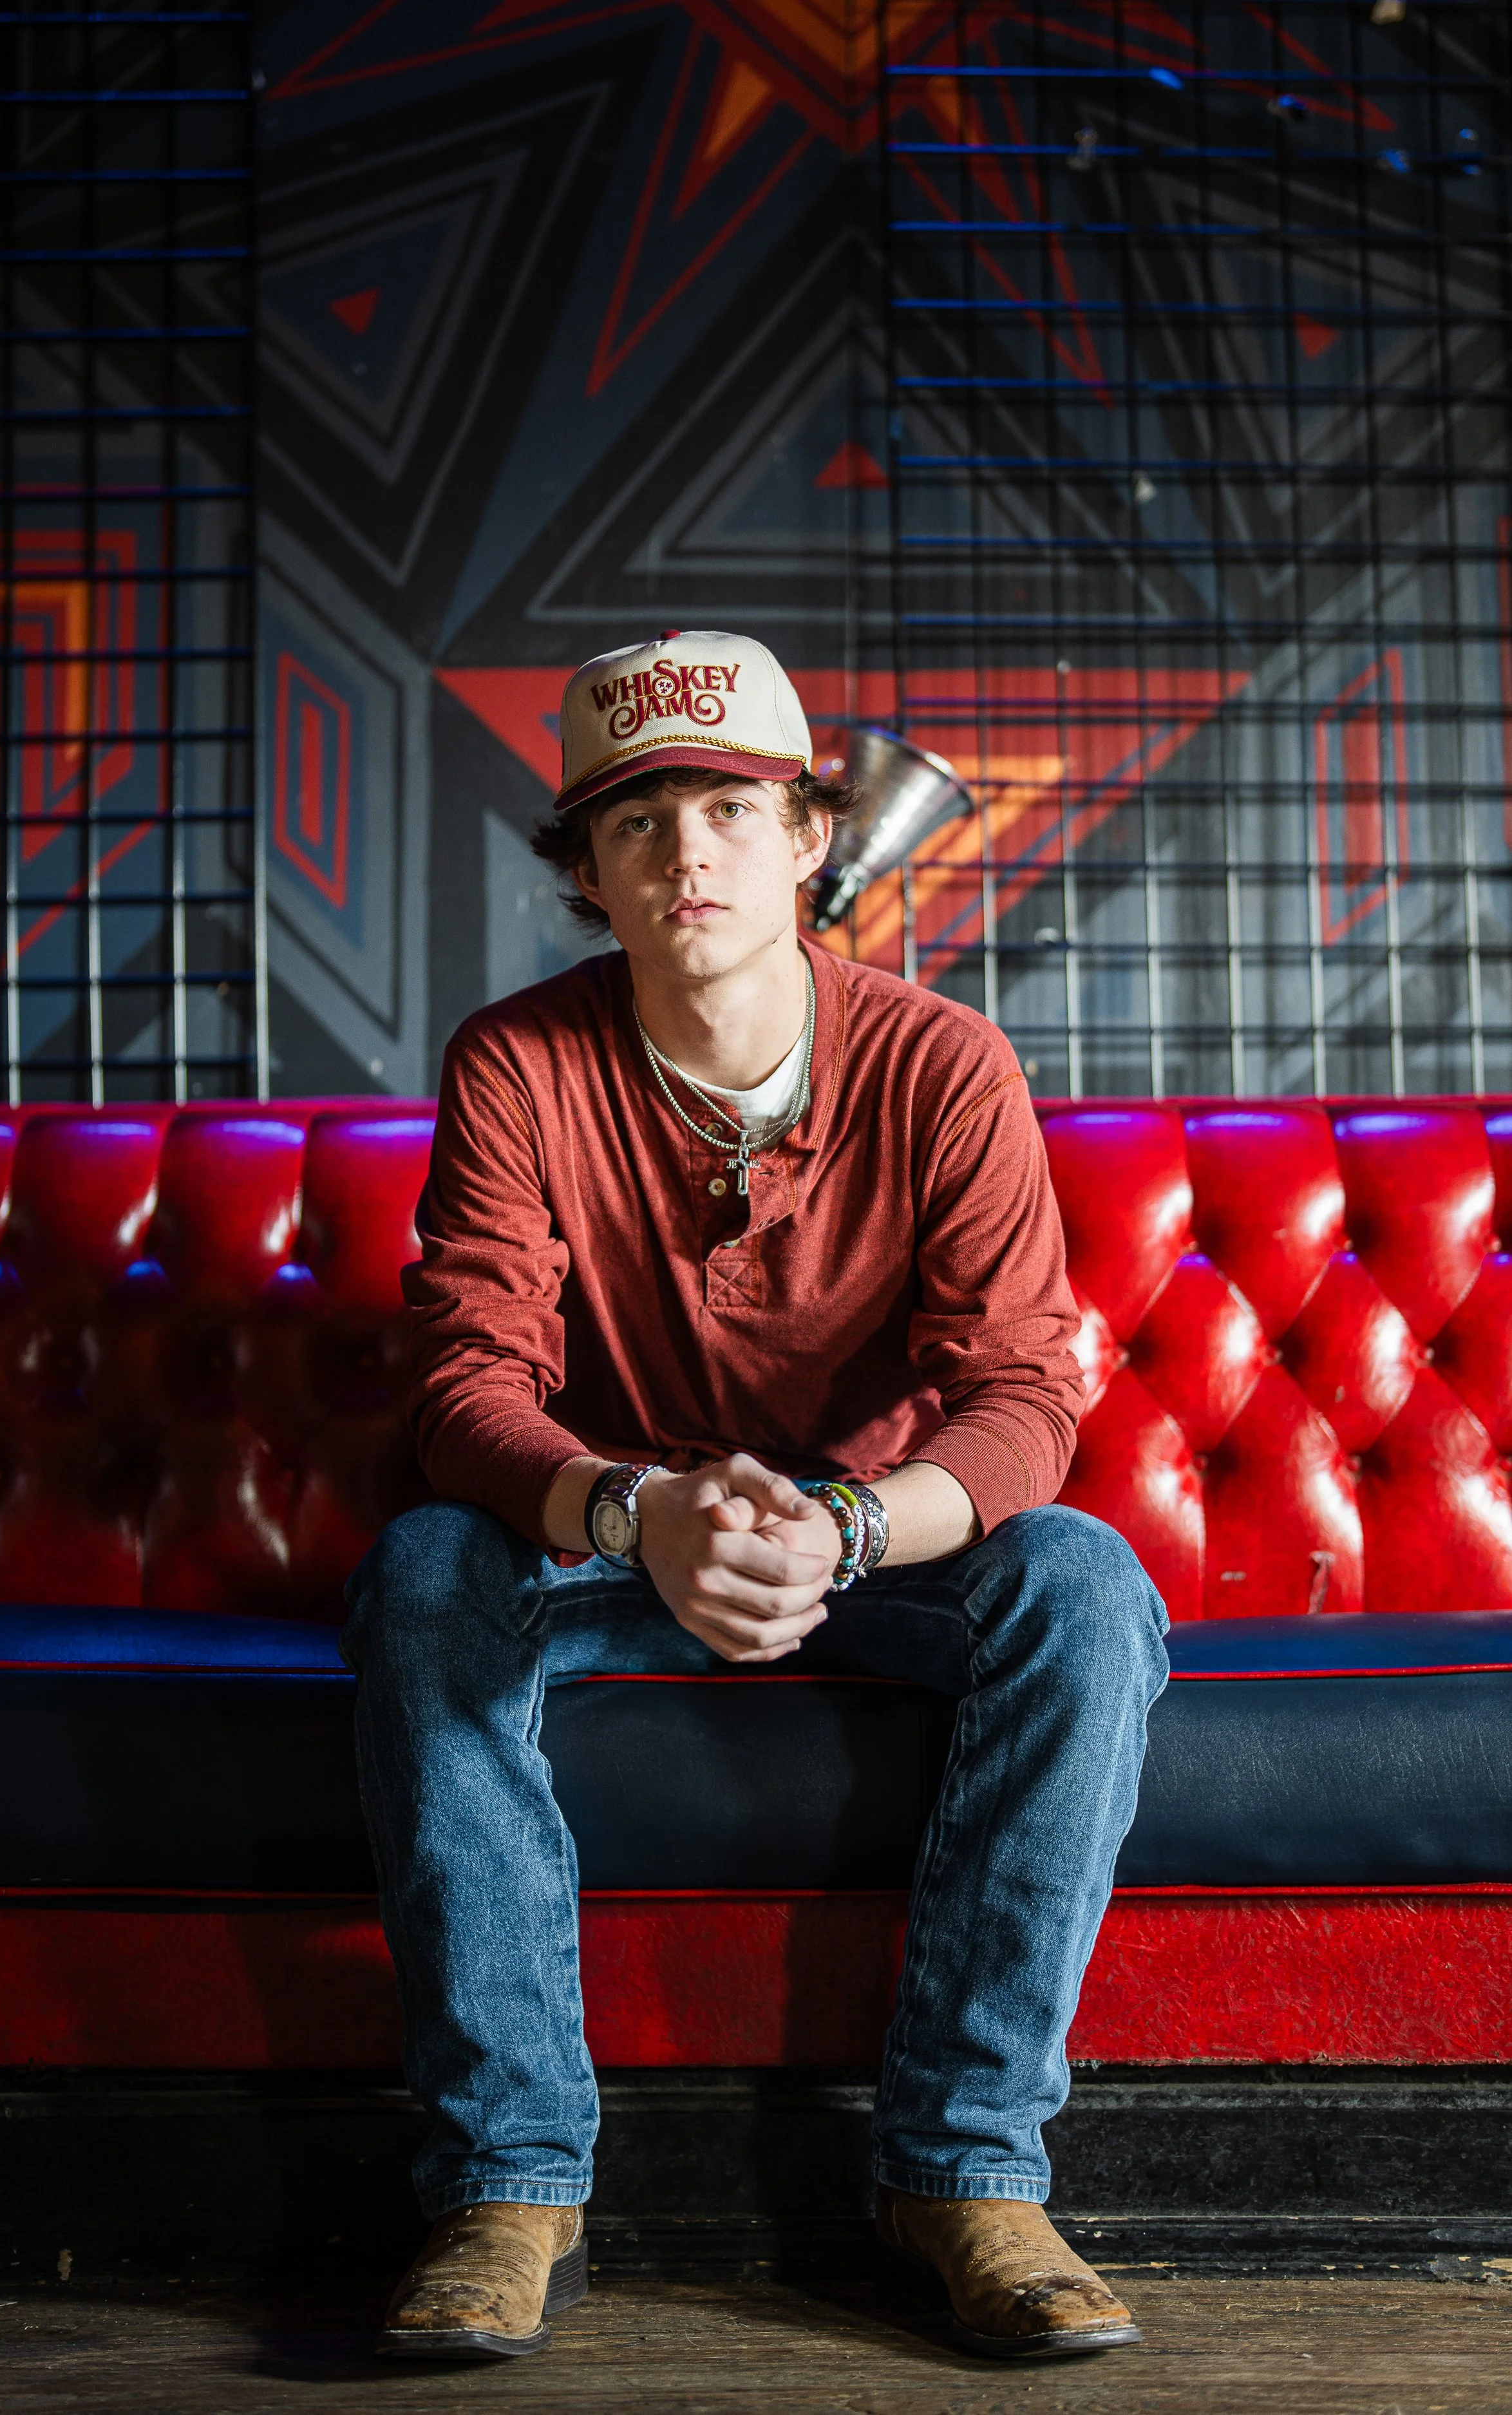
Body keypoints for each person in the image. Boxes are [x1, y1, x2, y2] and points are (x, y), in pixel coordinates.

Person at [342, 629, 1168, 2365]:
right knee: (425, 1571)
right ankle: (506, 2183)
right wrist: (636, 1510)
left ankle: (966, 2170)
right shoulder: (513, 1063)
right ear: (584, 869)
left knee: (1085, 1585)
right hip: (618, 1535)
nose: (687, 856)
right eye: (635, 825)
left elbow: (1025, 1392)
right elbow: (464, 1385)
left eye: (727, 810)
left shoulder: (942, 1063)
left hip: (872, 1537)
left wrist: (856, 1527)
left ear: (807, 835)